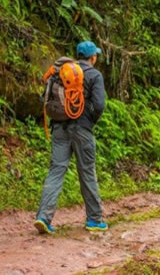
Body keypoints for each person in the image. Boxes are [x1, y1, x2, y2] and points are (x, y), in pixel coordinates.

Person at [34, 41, 107, 234]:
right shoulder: (94, 75)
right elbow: (99, 105)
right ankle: (94, 219)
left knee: (56, 171)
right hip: (82, 129)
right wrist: (88, 119)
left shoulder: (63, 72)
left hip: (59, 127)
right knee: (87, 172)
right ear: (93, 57)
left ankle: (43, 217)